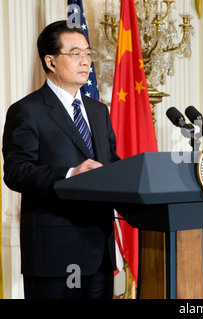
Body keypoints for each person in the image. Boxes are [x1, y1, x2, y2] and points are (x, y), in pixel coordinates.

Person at [2, 20, 121, 299]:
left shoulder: (98, 111)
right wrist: (69, 174)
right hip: (55, 253)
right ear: (51, 61)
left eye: (88, 53)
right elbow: (17, 171)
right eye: (75, 53)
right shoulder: (27, 111)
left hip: (100, 252)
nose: (85, 61)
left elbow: (111, 162)